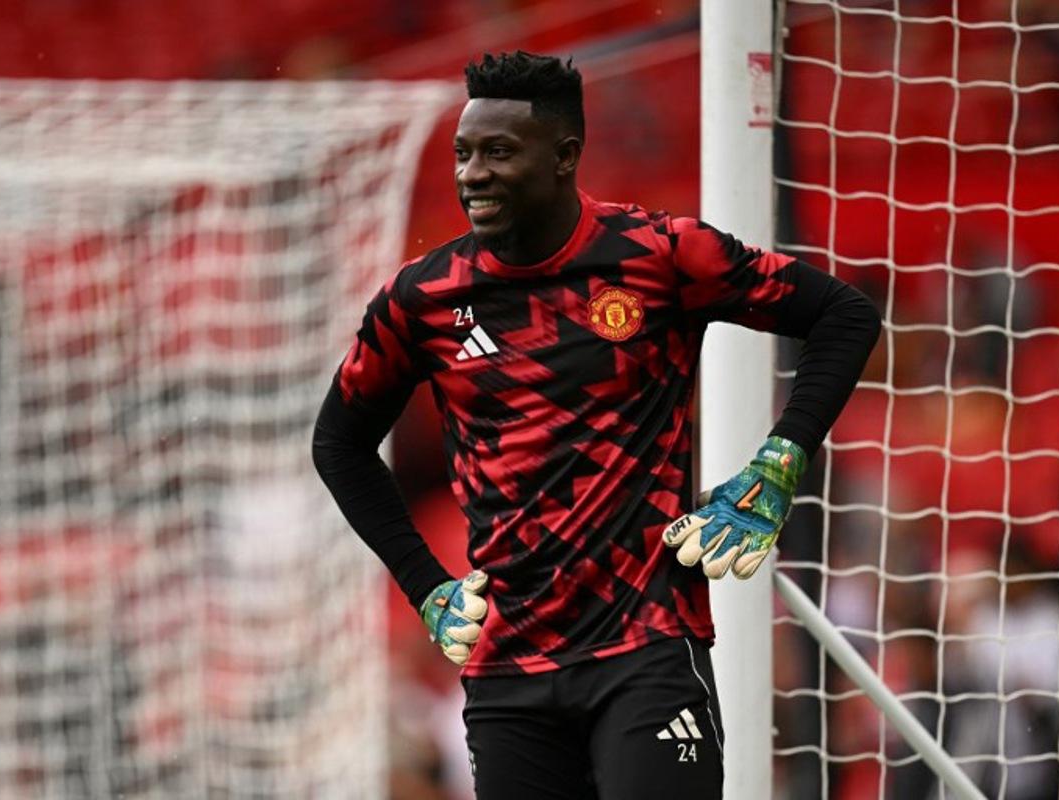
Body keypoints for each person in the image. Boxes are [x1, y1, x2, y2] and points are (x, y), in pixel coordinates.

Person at [313, 50, 882, 799]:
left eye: (498, 152)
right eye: (462, 154)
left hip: (645, 645)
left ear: (565, 157)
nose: (472, 174)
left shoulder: (661, 254)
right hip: (508, 669)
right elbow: (340, 445)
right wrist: (426, 586)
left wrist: (776, 465)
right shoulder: (421, 299)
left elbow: (843, 315)